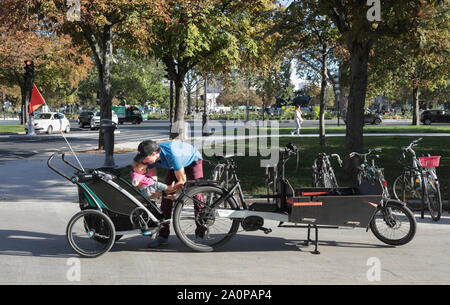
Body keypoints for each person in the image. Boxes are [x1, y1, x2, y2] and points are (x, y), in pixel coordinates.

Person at [134, 140, 204, 247]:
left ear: (154, 154)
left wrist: (167, 190)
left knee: (196, 195)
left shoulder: (172, 155)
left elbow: (182, 180)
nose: (143, 160)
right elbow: (153, 180)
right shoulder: (150, 158)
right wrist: (159, 191)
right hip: (174, 164)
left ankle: (201, 233)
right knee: (166, 199)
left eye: (145, 157)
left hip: (193, 160)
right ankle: (163, 236)